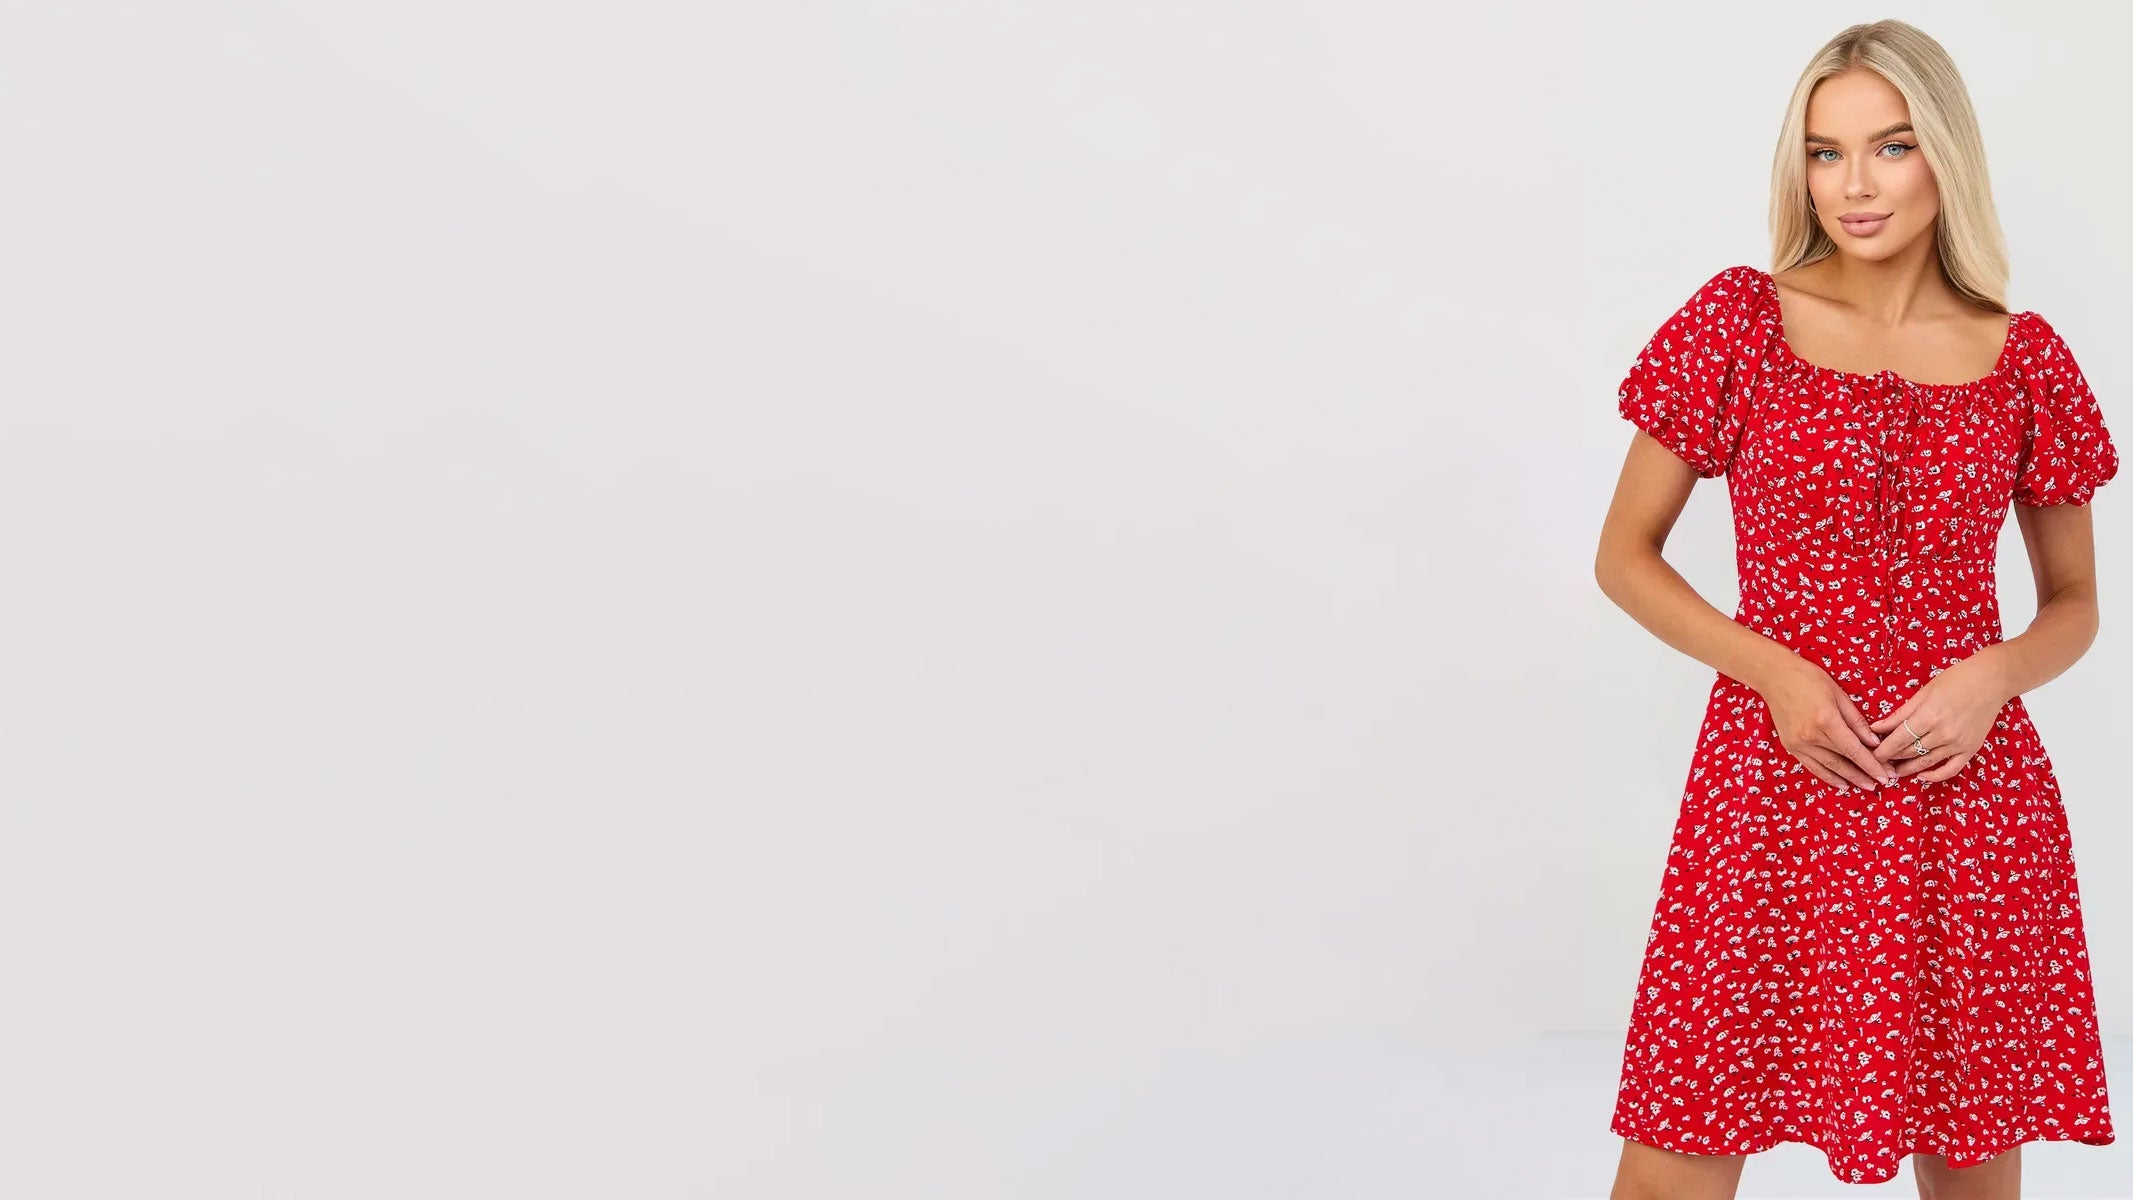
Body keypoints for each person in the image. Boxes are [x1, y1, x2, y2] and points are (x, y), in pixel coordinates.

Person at [1593, 20, 2118, 1200]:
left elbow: (2076, 604)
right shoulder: (1739, 321)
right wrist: (1772, 671)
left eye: (1888, 147)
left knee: (1972, 1169)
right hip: (1772, 787)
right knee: (1678, 1145)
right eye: (1825, 154)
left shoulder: (2023, 361)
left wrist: (1992, 677)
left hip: (1965, 800)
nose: (1855, 184)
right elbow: (1626, 557)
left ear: (1945, 155)